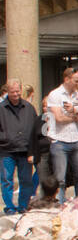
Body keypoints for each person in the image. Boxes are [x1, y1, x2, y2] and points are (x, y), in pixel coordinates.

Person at [47, 68, 78, 199]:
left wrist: (74, 110)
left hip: (76, 139)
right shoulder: (55, 95)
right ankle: (60, 211)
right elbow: (59, 118)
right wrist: (77, 115)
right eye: (76, 81)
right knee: (60, 180)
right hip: (60, 140)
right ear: (67, 79)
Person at [0, 78, 39, 214]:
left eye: (17, 91)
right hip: (6, 151)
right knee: (6, 181)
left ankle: (23, 206)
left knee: (26, 181)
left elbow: (35, 130)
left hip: (25, 150)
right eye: (12, 92)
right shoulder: (1, 108)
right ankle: (10, 207)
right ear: (7, 92)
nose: (16, 94)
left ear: (21, 90)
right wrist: (4, 138)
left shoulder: (29, 108)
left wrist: (33, 150)